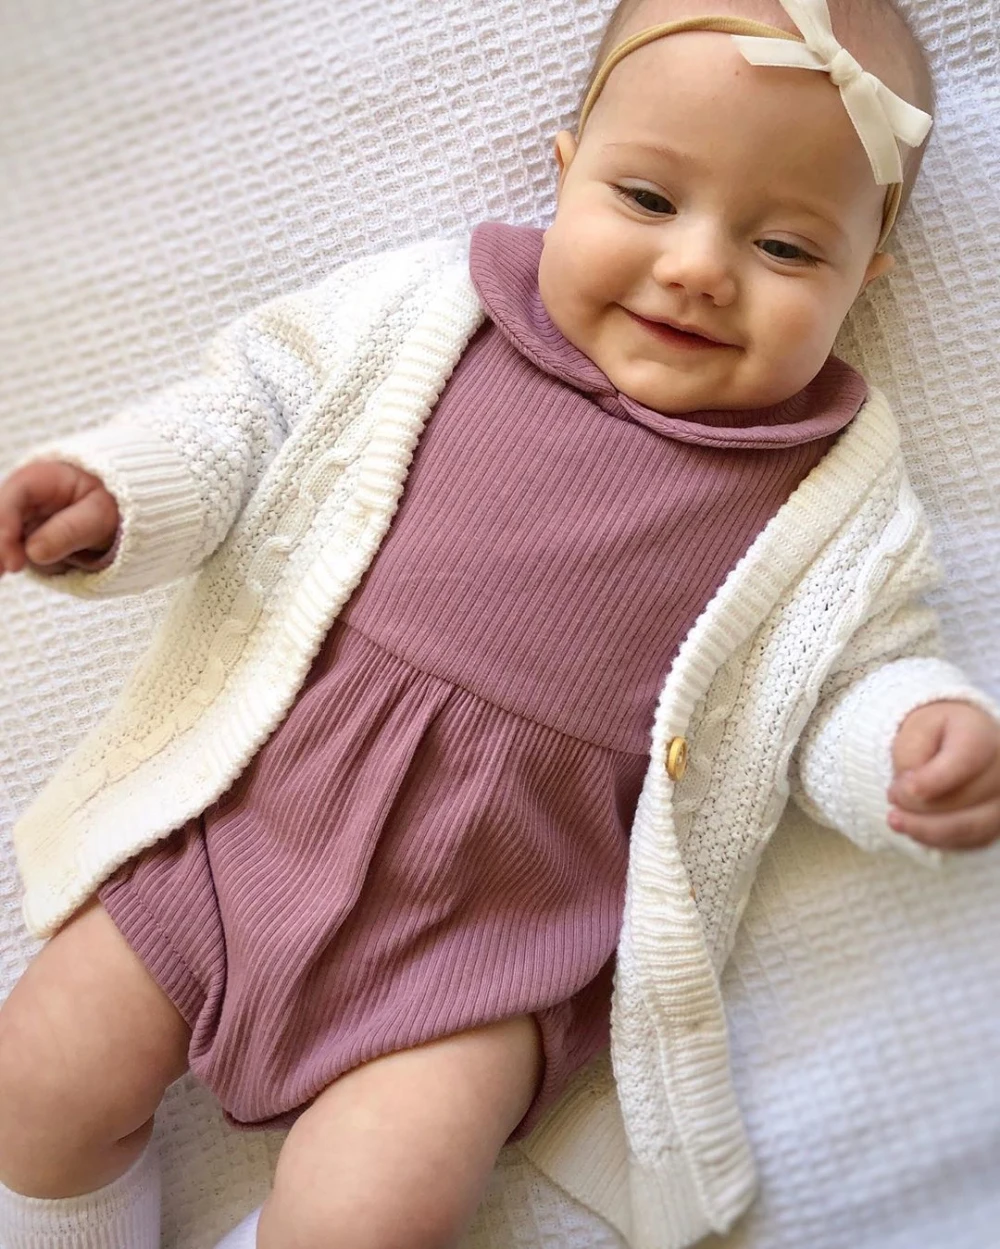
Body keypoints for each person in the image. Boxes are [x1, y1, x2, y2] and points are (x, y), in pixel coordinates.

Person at [0, 0, 997, 1246]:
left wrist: (911, 737)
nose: (697, 267)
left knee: (374, 1218)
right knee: (35, 1078)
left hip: (489, 951)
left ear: (865, 277)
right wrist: (121, 494)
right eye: (647, 198)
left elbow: (844, 675)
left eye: (786, 248)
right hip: (236, 833)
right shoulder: (430, 311)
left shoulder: (829, 490)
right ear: (566, 168)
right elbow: (248, 414)